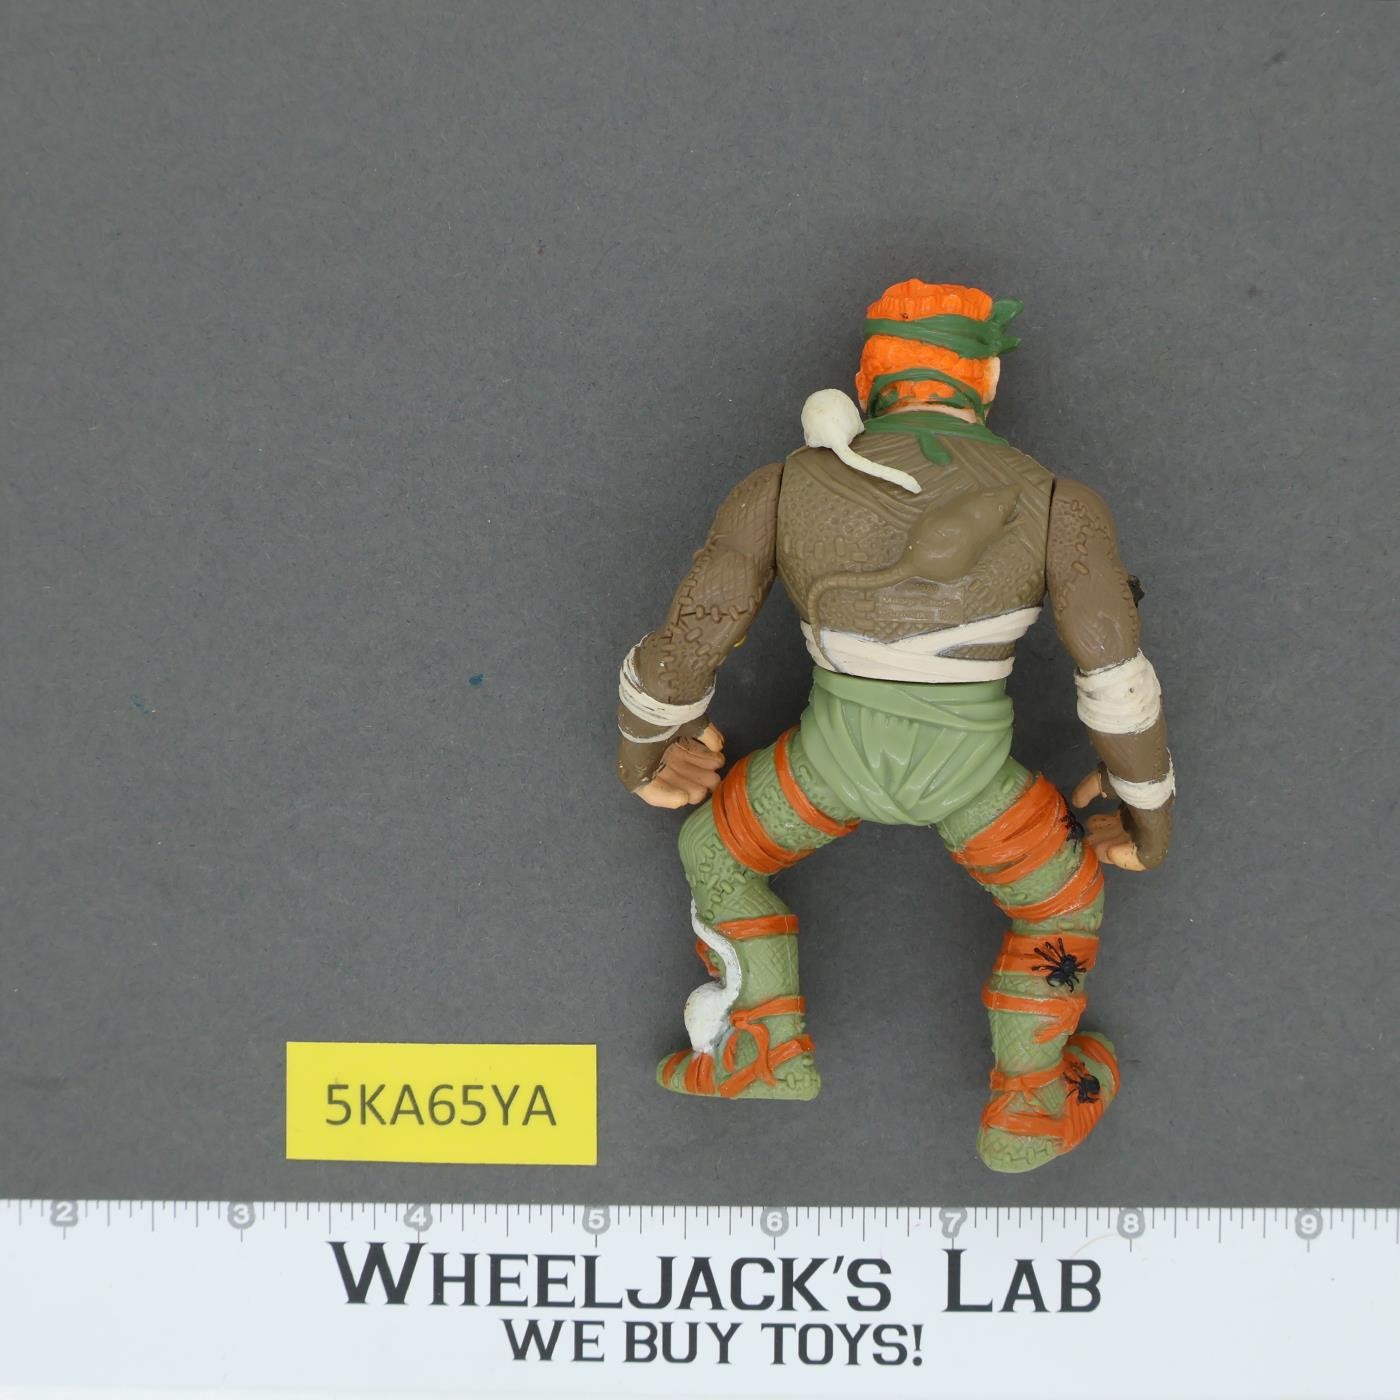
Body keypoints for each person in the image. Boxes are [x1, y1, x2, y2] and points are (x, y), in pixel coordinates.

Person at [614, 280, 1174, 1171]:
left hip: (826, 767)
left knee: (716, 852)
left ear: (865, 382)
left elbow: (693, 635)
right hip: (975, 782)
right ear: (987, 381)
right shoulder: (1056, 502)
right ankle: (1029, 1104)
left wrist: (647, 752)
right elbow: (1114, 676)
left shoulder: (784, 485)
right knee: (1060, 902)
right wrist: (1147, 813)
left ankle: (761, 1048)